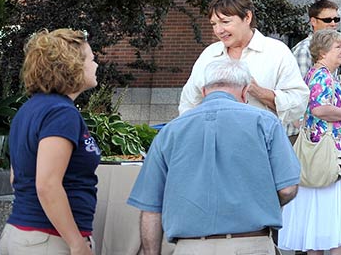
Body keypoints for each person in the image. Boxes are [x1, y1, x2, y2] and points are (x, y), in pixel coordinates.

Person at [127, 59, 300, 255]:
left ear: (203, 91)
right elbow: (287, 189)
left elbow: (151, 209)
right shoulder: (266, 123)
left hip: (189, 247)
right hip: (252, 243)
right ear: (245, 92)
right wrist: (262, 202)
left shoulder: (170, 131)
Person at [1, 29, 100, 255]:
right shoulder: (61, 113)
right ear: (72, 65)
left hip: (21, 232)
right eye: (92, 59)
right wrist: (77, 244)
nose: (96, 65)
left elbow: (17, 176)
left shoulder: (28, 110)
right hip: (47, 240)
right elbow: (47, 184)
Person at [279, 30, 341, 255]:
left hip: (328, 149)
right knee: (337, 219)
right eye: (338, 47)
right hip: (333, 152)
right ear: (323, 51)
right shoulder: (322, 75)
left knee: (321, 220)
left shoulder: (321, 75)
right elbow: (319, 109)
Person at [178, 0, 309, 129]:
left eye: (225, 22)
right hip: (212, 144)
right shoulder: (209, 55)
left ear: (247, 17)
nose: (218, 30)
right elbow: (188, 104)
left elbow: (299, 103)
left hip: (260, 145)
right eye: (214, 24)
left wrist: (258, 91)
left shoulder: (276, 52)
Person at [292, 0, 341, 76]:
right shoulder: (304, 50)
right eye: (327, 20)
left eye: (336, 19)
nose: (333, 23)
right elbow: (302, 86)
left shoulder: (332, 47)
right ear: (313, 21)